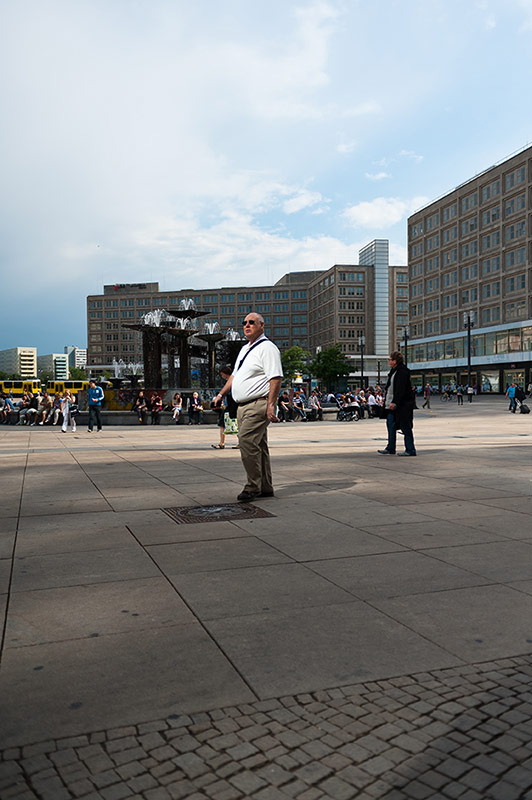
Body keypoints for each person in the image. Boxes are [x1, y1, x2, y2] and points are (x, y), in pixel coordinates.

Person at [213, 312, 282, 502]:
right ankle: (265, 487)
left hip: (258, 404)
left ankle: (252, 487)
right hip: (243, 406)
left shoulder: (268, 348)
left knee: (246, 442)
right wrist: (220, 394)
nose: (247, 325)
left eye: (252, 322)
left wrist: (271, 405)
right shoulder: (245, 349)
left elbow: (275, 377)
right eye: (244, 323)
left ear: (262, 325)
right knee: (259, 446)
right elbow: (234, 377)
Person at [378, 351, 416, 457]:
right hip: (391, 403)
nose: (388, 361)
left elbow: (400, 389)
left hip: (401, 405)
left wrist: (395, 402)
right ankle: (390, 448)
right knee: (390, 425)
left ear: (395, 361)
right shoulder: (394, 371)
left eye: (389, 359)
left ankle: (410, 449)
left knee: (405, 426)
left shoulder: (402, 372)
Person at [212, 366, 238, 449]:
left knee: (227, 424)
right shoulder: (233, 380)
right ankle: (222, 442)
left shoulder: (232, 381)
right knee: (226, 424)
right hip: (230, 406)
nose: (221, 376)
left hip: (231, 406)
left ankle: (222, 443)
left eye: (222, 374)